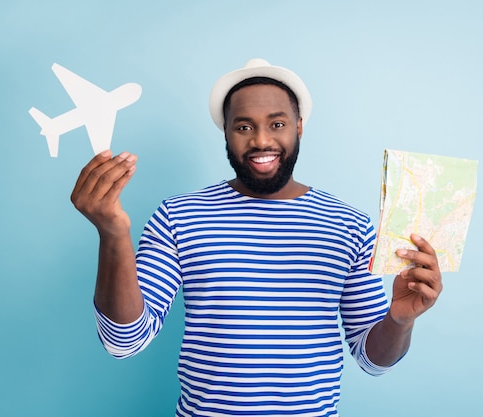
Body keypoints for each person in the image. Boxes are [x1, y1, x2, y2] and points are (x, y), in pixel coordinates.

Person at [71, 59, 443, 416]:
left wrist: (399, 319)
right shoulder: (179, 216)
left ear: (299, 126)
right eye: (244, 127)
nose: (261, 140)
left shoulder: (351, 226)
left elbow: (372, 361)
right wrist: (113, 234)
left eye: (277, 123)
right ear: (226, 132)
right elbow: (124, 341)